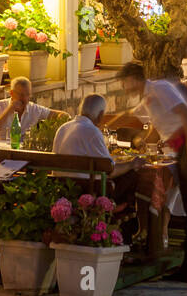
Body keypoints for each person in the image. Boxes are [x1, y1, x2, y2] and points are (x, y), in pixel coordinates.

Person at [115, 63, 187, 288]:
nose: (123, 87)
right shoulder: (148, 98)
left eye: (124, 81)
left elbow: (186, 115)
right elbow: (150, 122)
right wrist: (145, 140)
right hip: (181, 147)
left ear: (134, 79)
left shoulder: (160, 88)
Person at [53, 95, 141, 236]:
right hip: (88, 189)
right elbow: (110, 169)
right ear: (100, 115)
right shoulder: (92, 131)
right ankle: (125, 225)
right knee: (132, 175)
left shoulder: (63, 128)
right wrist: (132, 163)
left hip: (63, 186)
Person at [0, 78, 67, 142]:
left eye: (28, 95)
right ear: (11, 93)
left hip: (25, 154)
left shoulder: (34, 109)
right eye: (21, 95)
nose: (25, 99)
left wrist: (49, 130)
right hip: (1, 153)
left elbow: (64, 116)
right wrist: (9, 110)